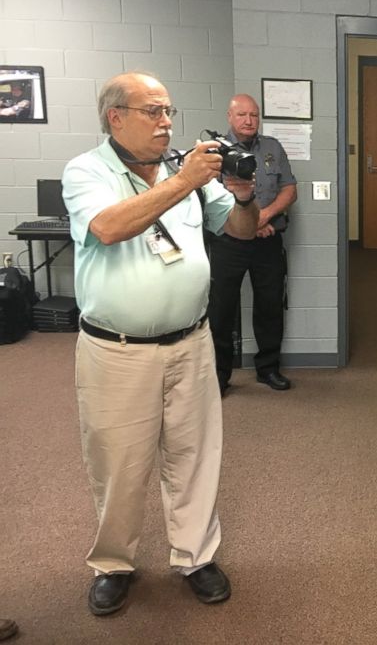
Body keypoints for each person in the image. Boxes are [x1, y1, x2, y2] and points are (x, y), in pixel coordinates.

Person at [62, 71, 259, 616]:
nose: (166, 122)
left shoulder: (183, 169)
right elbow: (107, 227)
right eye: (152, 111)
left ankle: (196, 556)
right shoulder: (86, 171)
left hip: (191, 343)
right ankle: (113, 565)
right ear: (115, 117)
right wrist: (184, 181)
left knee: (195, 456)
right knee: (119, 463)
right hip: (117, 350)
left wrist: (242, 196)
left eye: (169, 110)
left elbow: (241, 230)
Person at [207, 94, 297, 392]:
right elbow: (211, 197)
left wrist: (265, 216)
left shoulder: (272, 147)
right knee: (222, 309)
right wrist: (248, 225)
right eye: (242, 115)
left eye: (254, 115)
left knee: (270, 306)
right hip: (228, 242)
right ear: (230, 117)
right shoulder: (215, 150)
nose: (249, 120)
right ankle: (220, 375)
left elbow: (289, 189)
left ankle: (268, 369)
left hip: (268, 240)